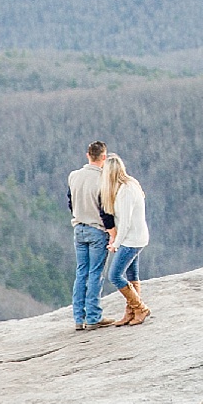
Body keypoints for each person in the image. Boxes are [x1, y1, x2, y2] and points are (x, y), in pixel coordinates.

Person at [64, 141, 117, 331]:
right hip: (97, 230)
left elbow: (70, 202)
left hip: (79, 228)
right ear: (104, 157)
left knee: (81, 273)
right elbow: (106, 211)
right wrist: (112, 232)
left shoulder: (74, 176)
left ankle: (79, 318)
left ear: (87, 155)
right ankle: (94, 317)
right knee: (95, 273)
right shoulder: (104, 179)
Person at [102, 151, 152, 326]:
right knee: (132, 275)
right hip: (134, 237)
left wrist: (116, 243)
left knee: (114, 275)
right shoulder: (128, 185)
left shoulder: (126, 190)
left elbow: (125, 222)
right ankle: (131, 312)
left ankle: (140, 308)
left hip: (132, 239)